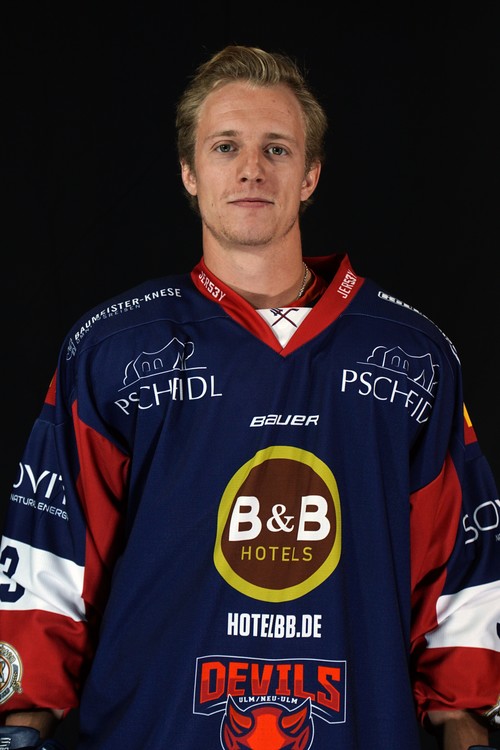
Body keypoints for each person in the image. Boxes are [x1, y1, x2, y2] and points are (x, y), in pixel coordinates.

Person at [0, 44, 499, 750]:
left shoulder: (413, 354)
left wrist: (466, 718)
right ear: (189, 171)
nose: (251, 169)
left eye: (277, 149)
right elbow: (49, 559)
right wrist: (21, 723)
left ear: (310, 174)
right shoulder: (111, 347)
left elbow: (463, 573)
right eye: (226, 146)